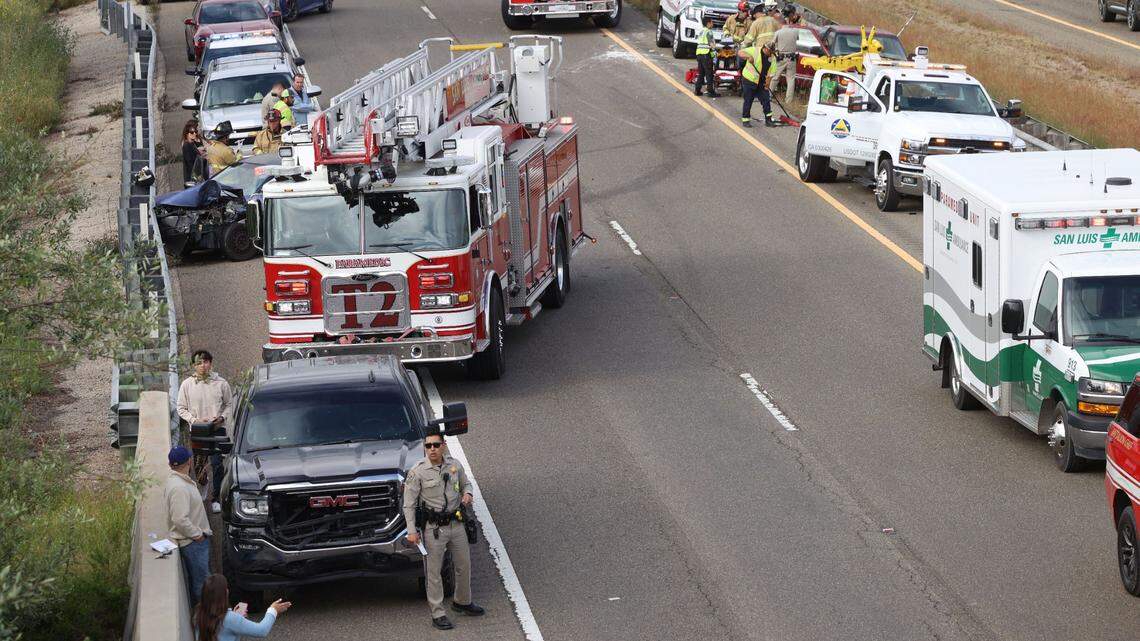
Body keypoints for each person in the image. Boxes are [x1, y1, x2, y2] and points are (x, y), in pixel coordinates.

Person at [403, 432, 485, 630]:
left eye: (436, 445)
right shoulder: (418, 471)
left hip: (456, 524)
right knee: (434, 572)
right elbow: (409, 504)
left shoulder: (454, 465)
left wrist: (467, 493)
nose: (432, 449)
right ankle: (438, 613)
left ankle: (462, 602)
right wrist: (412, 530)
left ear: (443, 445)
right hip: (434, 530)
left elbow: (466, 483)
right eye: (428, 445)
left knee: (463, 565)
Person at [176, 350, 232, 513]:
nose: (203, 366)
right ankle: (203, 483)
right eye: (199, 363)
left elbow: (229, 404)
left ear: (211, 363)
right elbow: (181, 408)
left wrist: (221, 418)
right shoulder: (187, 384)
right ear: (194, 366)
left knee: (217, 464)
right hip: (199, 431)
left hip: (217, 430)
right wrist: (194, 420)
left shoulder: (221, 383)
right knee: (199, 467)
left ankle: (216, 498)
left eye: (206, 362)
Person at [165, 445, 212, 608]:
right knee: (202, 584)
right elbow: (179, 519)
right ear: (189, 462)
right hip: (193, 543)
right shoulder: (179, 487)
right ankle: (205, 621)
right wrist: (197, 535)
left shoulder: (178, 481)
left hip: (194, 541)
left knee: (201, 581)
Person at [194, 574, 292, 641]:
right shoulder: (230, 619)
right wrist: (273, 610)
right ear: (225, 593)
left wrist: (235, 616)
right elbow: (261, 630)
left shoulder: (198, 614)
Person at [738, 40, 776, 127]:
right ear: (765, 48)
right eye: (770, 51)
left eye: (772, 52)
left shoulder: (772, 58)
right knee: (748, 100)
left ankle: (768, 120)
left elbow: (771, 74)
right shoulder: (754, 50)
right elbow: (740, 52)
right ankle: (746, 120)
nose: (771, 53)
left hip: (761, 81)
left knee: (766, 100)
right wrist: (748, 56)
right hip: (749, 79)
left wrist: (767, 84)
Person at [771, 9, 801, 103]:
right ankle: (788, 100)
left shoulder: (778, 32)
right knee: (791, 79)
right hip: (792, 58)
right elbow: (797, 39)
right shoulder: (795, 31)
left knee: (775, 77)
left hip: (781, 58)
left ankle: (769, 95)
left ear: (781, 24)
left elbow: (772, 43)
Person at [693, 16, 719, 98]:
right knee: (709, 73)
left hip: (699, 54)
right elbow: (711, 44)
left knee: (701, 73)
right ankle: (710, 91)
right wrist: (716, 50)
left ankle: (697, 90)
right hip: (706, 54)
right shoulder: (709, 32)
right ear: (708, 23)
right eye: (712, 22)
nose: (712, 24)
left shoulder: (701, 31)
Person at [181, 119, 206, 186]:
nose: (194, 133)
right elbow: (190, 163)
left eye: (195, 131)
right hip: (193, 178)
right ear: (187, 134)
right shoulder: (186, 145)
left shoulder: (192, 143)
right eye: (192, 132)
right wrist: (197, 176)